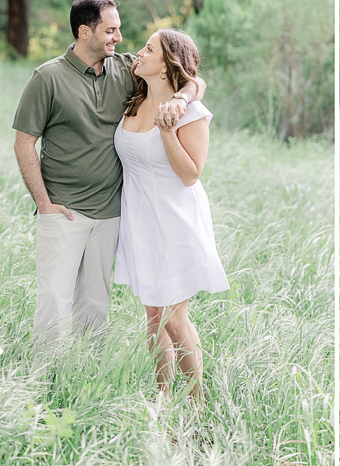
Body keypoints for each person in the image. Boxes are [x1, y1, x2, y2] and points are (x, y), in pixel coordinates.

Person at [13, 0, 197, 344]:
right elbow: (24, 142)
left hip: (111, 213)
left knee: (95, 304)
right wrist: (44, 205)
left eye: (119, 29)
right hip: (63, 210)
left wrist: (181, 98)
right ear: (85, 32)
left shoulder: (127, 69)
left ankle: (83, 381)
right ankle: (44, 384)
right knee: (54, 299)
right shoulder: (47, 78)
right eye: (111, 30)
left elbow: (190, 79)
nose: (119, 38)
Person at [114, 28, 229, 400]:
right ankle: (163, 395)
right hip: (140, 220)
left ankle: (197, 399)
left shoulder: (190, 113)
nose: (139, 52)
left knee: (173, 318)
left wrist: (167, 132)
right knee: (153, 317)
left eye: (149, 49)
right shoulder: (134, 100)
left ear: (166, 66)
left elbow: (190, 174)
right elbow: (197, 81)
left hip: (176, 220)